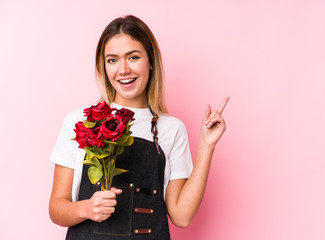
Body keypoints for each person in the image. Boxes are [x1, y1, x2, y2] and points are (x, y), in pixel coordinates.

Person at [49, 15, 229, 240]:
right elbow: (56, 208)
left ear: (150, 61)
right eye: (112, 60)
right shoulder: (79, 123)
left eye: (133, 57)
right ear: (103, 66)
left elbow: (181, 216)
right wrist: (85, 208)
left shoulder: (171, 129)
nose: (123, 69)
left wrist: (206, 146)